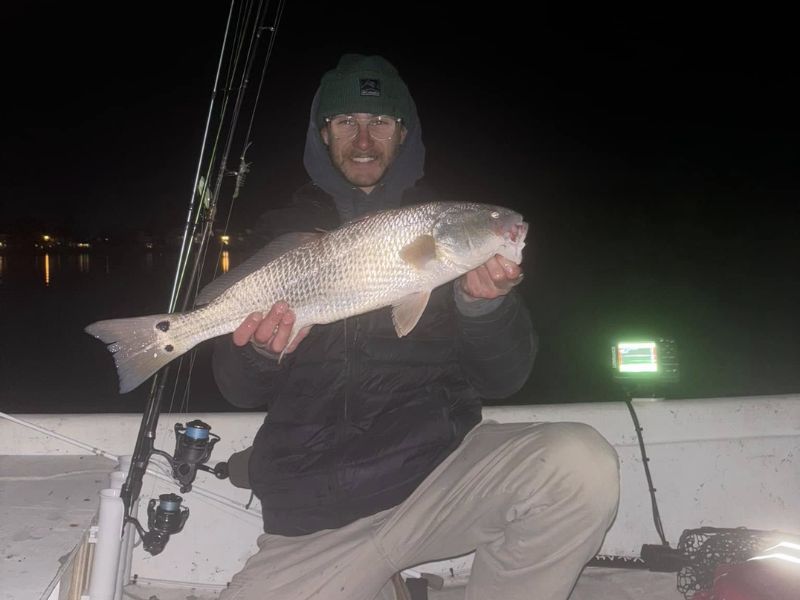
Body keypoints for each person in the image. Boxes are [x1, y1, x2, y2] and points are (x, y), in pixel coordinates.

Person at [212, 54, 620, 600]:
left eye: (380, 122)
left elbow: (504, 380)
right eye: (346, 122)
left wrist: (483, 307)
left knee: (578, 463)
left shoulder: (442, 230)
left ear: (404, 133)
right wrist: (259, 353)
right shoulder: (281, 235)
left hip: (438, 480)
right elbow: (237, 389)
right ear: (323, 134)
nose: (363, 138)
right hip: (316, 510)